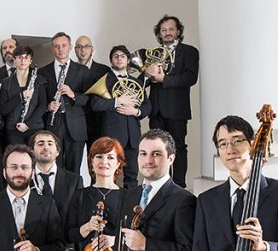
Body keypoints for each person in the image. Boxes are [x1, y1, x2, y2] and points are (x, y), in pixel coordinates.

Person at [190, 115, 278, 251]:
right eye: (222, 144)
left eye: (237, 140)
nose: (230, 149)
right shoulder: (206, 201)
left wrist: (263, 246)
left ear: (253, 144)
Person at [141, 15, 199, 188]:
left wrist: (164, 79)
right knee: (156, 149)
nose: (167, 33)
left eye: (171, 29)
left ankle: (179, 187)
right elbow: (144, 83)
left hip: (177, 109)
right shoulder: (152, 54)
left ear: (178, 31)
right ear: (159, 33)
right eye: (163, 30)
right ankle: (159, 184)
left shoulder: (189, 51)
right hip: (156, 110)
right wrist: (146, 74)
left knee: (178, 148)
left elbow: (190, 77)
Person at [90, 45, 151, 187]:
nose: (119, 59)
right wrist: (117, 101)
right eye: (116, 56)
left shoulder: (136, 82)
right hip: (112, 135)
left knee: (132, 177)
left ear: (128, 60)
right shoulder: (104, 80)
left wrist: (136, 112)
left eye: (123, 56)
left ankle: (129, 202)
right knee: (108, 175)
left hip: (132, 137)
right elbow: (95, 104)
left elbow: (147, 106)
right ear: (111, 60)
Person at [44, 32, 92, 173]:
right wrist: (48, 106)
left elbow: (88, 99)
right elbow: (39, 100)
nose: (60, 49)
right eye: (56, 46)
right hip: (53, 125)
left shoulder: (82, 70)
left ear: (70, 47)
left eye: (64, 45)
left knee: (74, 170)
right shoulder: (43, 71)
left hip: (76, 127)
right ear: (52, 49)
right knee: (53, 169)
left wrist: (73, 95)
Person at [0, 45, 47, 146]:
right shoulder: (5, 82)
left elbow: (42, 106)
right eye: (19, 57)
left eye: (26, 57)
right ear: (15, 60)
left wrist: (28, 124)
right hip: (13, 129)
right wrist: (21, 96)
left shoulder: (38, 80)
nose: (23, 60)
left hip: (34, 127)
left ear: (30, 61)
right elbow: (3, 109)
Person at [75, 35, 110, 145]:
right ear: (74, 50)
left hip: (97, 122)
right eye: (79, 47)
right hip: (76, 122)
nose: (83, 50)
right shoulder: (70, 69)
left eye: (86, 46)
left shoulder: (104, 69)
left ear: (92, 49)